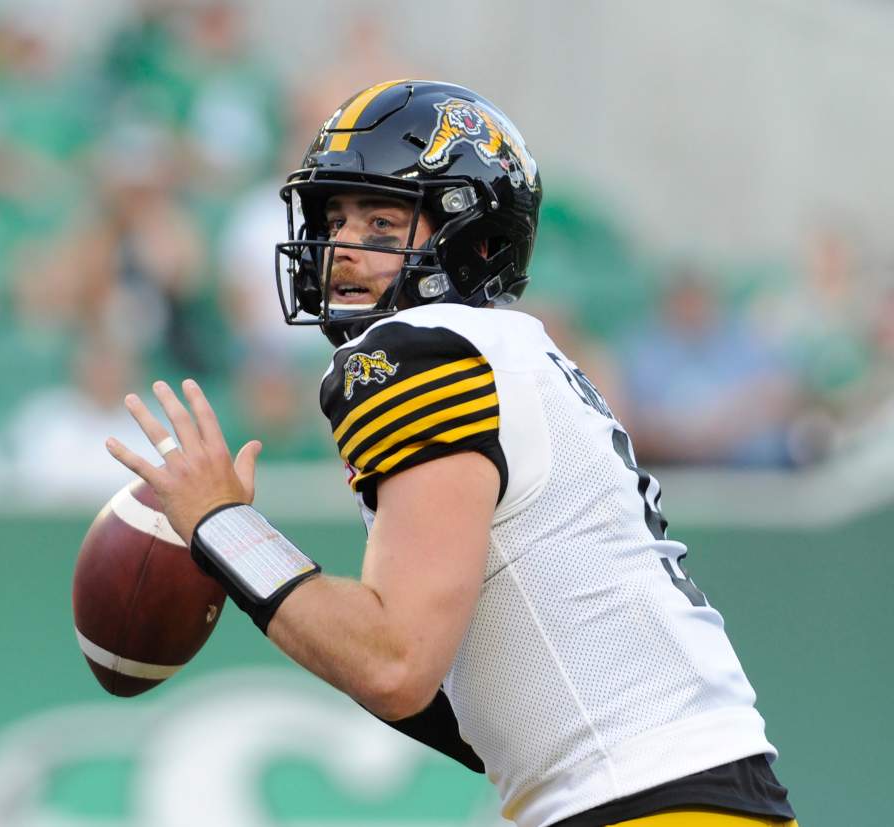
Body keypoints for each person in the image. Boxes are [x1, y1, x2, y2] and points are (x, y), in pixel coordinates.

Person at [105, 80, 798, 827]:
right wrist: (244, 559)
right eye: (335, 218)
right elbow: (465, 711)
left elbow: (393, 664)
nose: (341, 247)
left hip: (644, 800)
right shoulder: (506, 353)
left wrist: (221, 527)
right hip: (687, 793)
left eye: (380, 221)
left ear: (476, 239)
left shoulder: (423, 351)